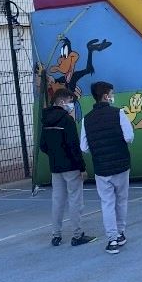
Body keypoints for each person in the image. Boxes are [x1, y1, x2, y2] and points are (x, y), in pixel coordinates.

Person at [80, 81, 135, 254]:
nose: (112, 96)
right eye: (111, 93)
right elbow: (129, 137)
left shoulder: (86, 119)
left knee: (107, 203)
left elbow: (84, 147)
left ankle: (112, 239)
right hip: (121, 164)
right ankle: (120, 232)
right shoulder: (118, 113)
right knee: (121, 200)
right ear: (105, 96)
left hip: (101, 168)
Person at [40, 88, 95, 247]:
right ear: (62, 101)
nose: (72, 105)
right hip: (71, 167)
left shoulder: (45, 120)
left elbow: (43, 145)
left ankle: (56, 235)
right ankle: (77, 235)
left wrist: (55, 155)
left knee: (57, 201)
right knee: (75, 200)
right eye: (70, 101)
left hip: (55, 167)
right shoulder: (67, 120)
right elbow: (73, 146)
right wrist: (82, 167)